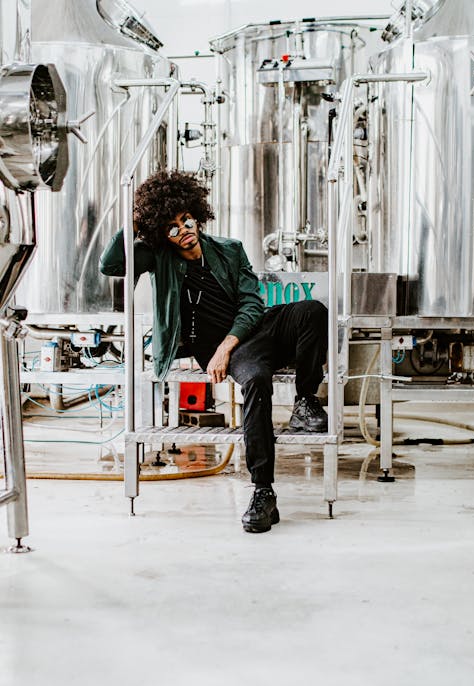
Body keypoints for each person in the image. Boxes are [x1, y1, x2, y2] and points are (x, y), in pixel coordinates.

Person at [100, 170, 328, 534]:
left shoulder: (230, 249)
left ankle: (306, 402)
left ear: (196, 214)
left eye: (185, 219)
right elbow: (110, 264)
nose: (183, 230)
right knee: (255, 380)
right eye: (171, 227)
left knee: (312, 311)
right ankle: (263, 491)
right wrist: (134, 221)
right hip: (234, 352)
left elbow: (252, 304)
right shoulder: (158, 257)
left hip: (251, 332)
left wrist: (227, 345)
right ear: (162, 233)